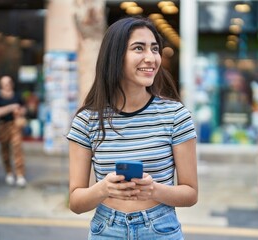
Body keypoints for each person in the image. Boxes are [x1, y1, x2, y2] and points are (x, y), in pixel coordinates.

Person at [66, 16, 198, 239]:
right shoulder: (87, 121)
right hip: (106, 230)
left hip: (160, 230)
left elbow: (191, 194)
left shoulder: (176, 115)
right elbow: (76, 203)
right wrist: (104, 189)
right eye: (139, 48)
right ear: (115, 56)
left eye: (154, 49)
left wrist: (154, 189)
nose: (151, 58)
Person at [0, 75, 27, 187]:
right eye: (4, 83)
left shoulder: (17, 96)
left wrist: (19, 111)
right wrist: (11, 108)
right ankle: (9, 172)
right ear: (1, 85)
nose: (7, 85)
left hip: (15, 125)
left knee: (17, 148)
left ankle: (20, 175)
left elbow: (24, 109)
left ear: (11, 84)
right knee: (5, 150)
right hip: (3, 126)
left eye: (8, 83)